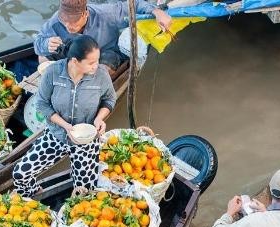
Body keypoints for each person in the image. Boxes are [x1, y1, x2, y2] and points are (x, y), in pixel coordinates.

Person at [13, 35, 115, 198]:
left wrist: (99, 118)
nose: (96, 66)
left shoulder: (101, 75)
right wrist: (66, 126)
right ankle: (34, 195)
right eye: (91, 63)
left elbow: (109, 99)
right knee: (20, 174)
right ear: (75, 61)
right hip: (56, 135)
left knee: (85, 190)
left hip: (86, 140)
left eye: (97, 60)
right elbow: (41, 103)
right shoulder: (53, 72)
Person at [34, 0, 173, 77]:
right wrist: (46, 44)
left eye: (73, 22)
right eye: (64, 22)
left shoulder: (106, 13)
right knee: (43, 57)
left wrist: (157, 12)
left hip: (104, 53)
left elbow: (136, 5)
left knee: (101, 72)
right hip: (74, 54)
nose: (68, 26)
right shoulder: (55, 21)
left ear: (85, 14)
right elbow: (38, 43)